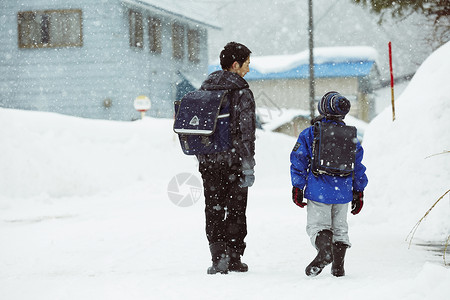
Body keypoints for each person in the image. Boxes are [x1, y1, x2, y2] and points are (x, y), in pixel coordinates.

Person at [290, 91, 368, 277]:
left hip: (319, 190)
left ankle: (324, 252)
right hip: (343, 192)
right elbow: (358, 166)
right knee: (340, 229)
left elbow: (298, 159)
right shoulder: (351, 136)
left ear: (322, 109)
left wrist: (297, 185)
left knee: (318, 227)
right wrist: (359, 191)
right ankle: (338, 267)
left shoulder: (310, 133)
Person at [197, 42, 256, 274]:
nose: (248, 70)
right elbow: (246, 131)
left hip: (208, 161)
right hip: (234, 162)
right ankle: (233, 257)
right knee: (236, 209)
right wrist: (248, 164)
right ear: (235, 65)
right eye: (247, 64)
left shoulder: (205, 88)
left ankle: (217, 258)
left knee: (213, 207)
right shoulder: (242, 91)